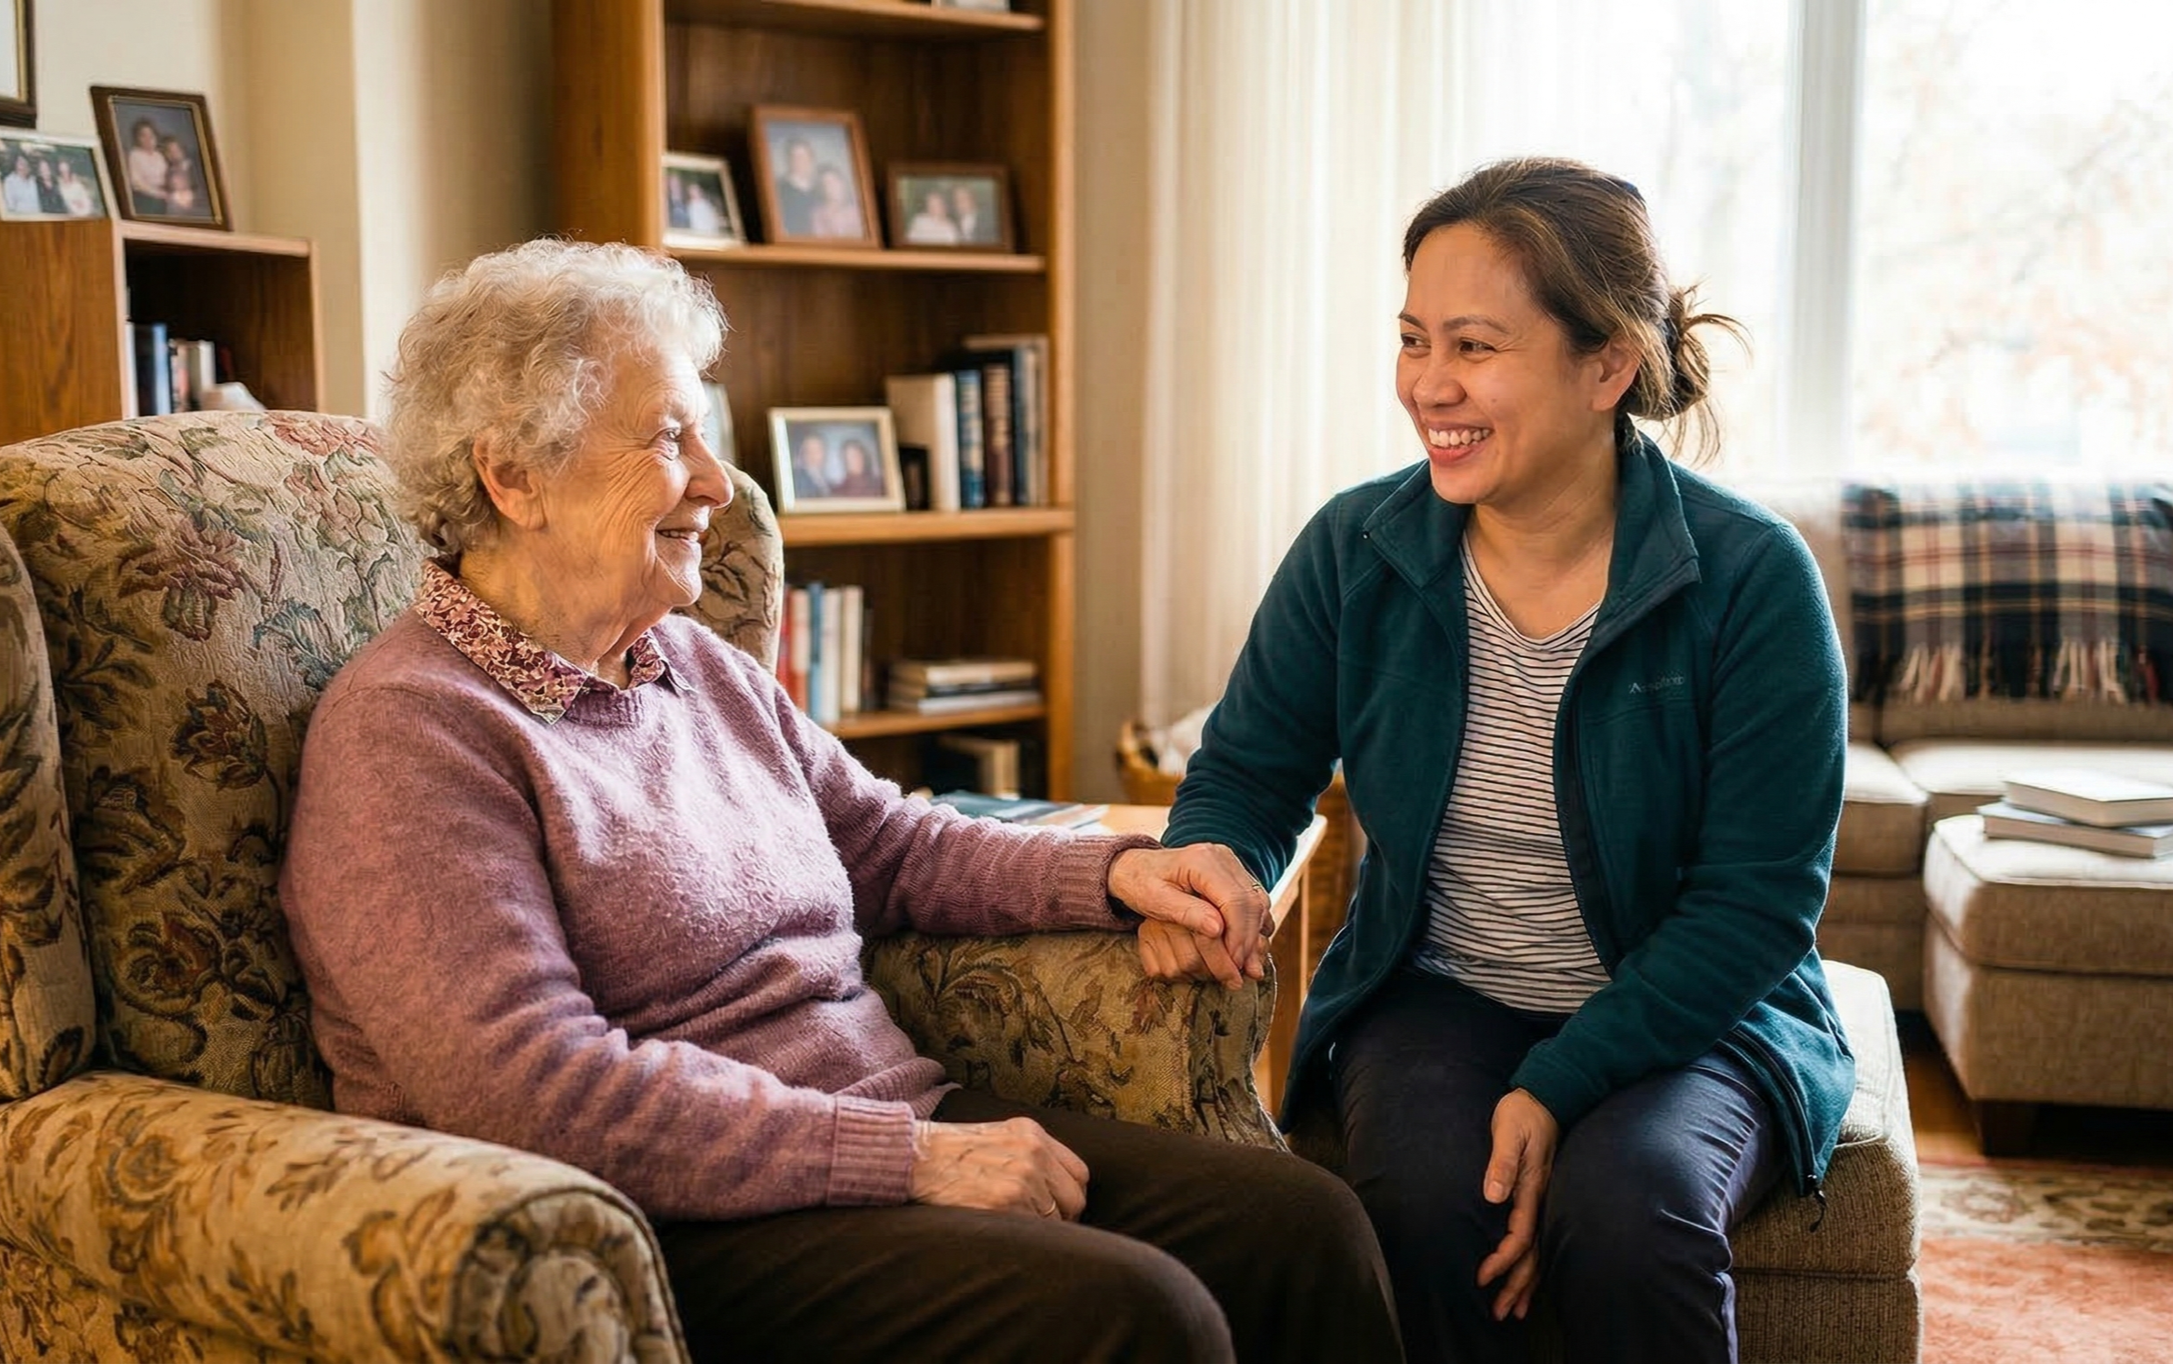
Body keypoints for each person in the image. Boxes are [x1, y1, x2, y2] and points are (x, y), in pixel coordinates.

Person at [278, 238, 1400, 1364]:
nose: (718, 483)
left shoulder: (686, 663)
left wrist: (1112, 869)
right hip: (681, 1221)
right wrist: (904, 1157)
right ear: (510, 477)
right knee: (1137, 1314)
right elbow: (529, 1085)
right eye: (671, 438)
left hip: (884, 1129)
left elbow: (882, 840)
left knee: (1300, 1224)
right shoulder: (413, 732)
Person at [1158, 157, 1853, 1364]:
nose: (1431, 385)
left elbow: (1755, 906)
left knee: (1629, 1210)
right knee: (1430, 1211)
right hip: (1440, 989)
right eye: (1413, 339)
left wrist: (1559, 1082)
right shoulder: (1354, 550)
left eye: (1474, 347)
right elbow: (1246, 775)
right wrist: (1207, 865)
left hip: (1697, 1016)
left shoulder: (1751, 580)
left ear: (1606, 366)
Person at [773, 135, 820, 236]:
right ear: (788, 160)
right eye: (795, 157)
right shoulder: (778, 190)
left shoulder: (819, 189)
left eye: (803, 157)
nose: (800, 161)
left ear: (811, 159)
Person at [124, 118, 169, 215]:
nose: (148, 139)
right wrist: (157, 193)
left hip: (162, 194)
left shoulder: (159, 155)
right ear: (137, 138)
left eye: (151, 135)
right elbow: (136, 182)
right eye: (143, 136)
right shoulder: (134, 155)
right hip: (144, 197)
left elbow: (166, 176)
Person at [808, 163, 863, 238]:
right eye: (827, 183)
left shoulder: (858, 209)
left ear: (842, 183)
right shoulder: (818, 215)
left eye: (835, 181)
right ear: (822, 189)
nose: (832, 186)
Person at [160, 136, 204, 216]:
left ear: (182, 150)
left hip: (197, 206)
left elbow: (201, 190)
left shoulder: (196, 167)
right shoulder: (168, 172)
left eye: (176, 150)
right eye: (170, 152)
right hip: (177, 207)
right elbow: (168, 191)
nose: (174, 154)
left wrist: (190, 196)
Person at [791, 430, 833, 500]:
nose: (812, 455)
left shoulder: (826, 481)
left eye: (817, 450)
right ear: (802, 454)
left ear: (825, 453)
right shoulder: (798, 480)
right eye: (808, 451)